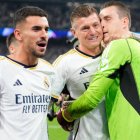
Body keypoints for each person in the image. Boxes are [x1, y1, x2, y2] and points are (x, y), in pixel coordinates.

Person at [57, 1, 140, 140]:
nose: (100, 26)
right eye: (101, 20)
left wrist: (65, 114)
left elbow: (91, 99)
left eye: (107, 19)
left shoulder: (117, 46)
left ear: (124, 22)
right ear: (74, 32)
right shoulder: (134, 45)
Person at [0, 6, 59, 140]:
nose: (44, 34)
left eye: (46, 29)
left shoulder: (49, 70)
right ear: (18, 34)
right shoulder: (2, 69)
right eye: (36, 29)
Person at [53, 4, 109, 140]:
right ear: (74, 33)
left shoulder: (116, 52)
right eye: (85, 28)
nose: (93, 31)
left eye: (96, 25)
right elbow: (43, 101)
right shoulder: (65, 63)